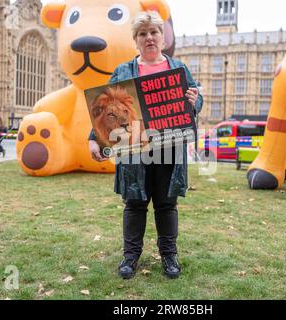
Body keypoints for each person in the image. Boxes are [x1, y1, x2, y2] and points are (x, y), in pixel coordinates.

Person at [90, 11, 203, 280]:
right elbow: (104, 108)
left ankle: (169, 256)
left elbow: (197, 102)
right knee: (134, 202)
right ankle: (130, 256)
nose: (149, 38)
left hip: (169, 147)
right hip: (134, 147)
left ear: (162, 38)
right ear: (136, 40)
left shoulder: (179, 69)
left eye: (154, 32)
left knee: (167, 204)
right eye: (143, 34)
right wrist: (94, 139)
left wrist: (194, 100)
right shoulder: (124, 71)